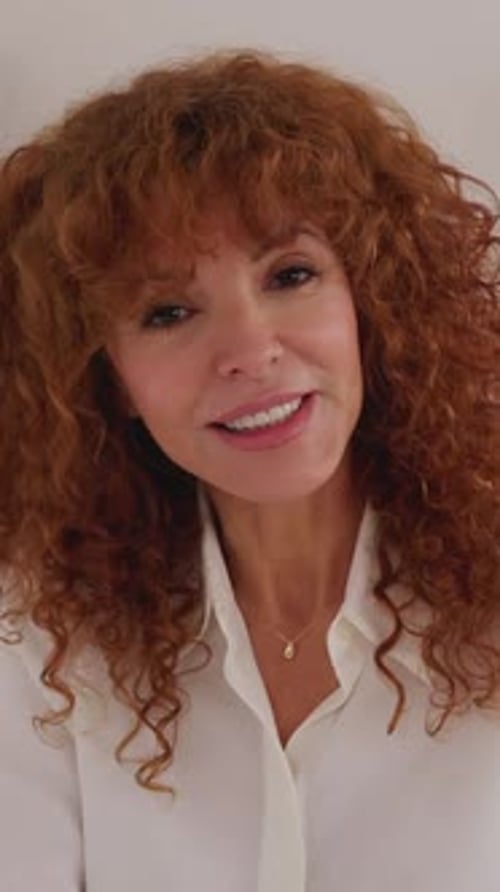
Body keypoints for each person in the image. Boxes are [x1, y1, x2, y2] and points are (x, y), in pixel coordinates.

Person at [0, 47, 498, 892]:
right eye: (167, 312)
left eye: (291, 275)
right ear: (105, 377)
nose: (250, 351)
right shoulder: (36, 635)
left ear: (370, 303)